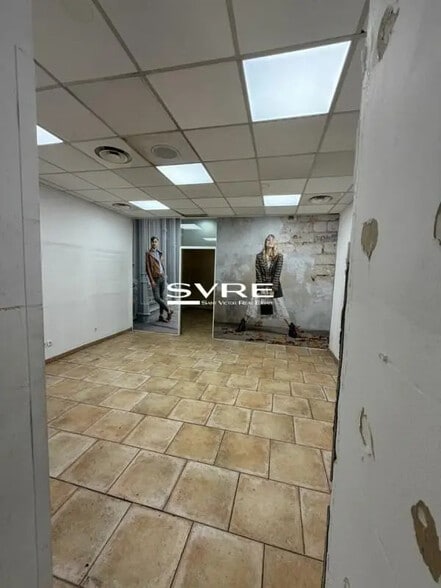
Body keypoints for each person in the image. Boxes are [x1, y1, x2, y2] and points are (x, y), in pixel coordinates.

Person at [236, 234, 298, 338]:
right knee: (253, 304)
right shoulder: (259, 256)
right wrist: (261, 288)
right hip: (261, 283)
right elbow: (258, 273)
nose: (270, 241)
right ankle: (243, 323)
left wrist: (273, 289)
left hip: (274, 284)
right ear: (265, 242)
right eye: (268, 240)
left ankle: (291, 327)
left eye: (272, 240)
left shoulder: (279, 257)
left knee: (280, 306)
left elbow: (277, 273)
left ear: (275, 243)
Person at [145, 236, 173, 322]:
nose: (154, 243)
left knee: (162, 297)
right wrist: (151, 280)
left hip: (162, 277)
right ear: (151, 243)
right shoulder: (148, 254)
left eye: (156, 242)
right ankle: (169, 310)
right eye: (153, 242)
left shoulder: (160, 253)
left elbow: (161, 265)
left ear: (158, 243)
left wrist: (164, 275)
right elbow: (148, 268)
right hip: (155, 278)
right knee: (157, 297)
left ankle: (161, 316)